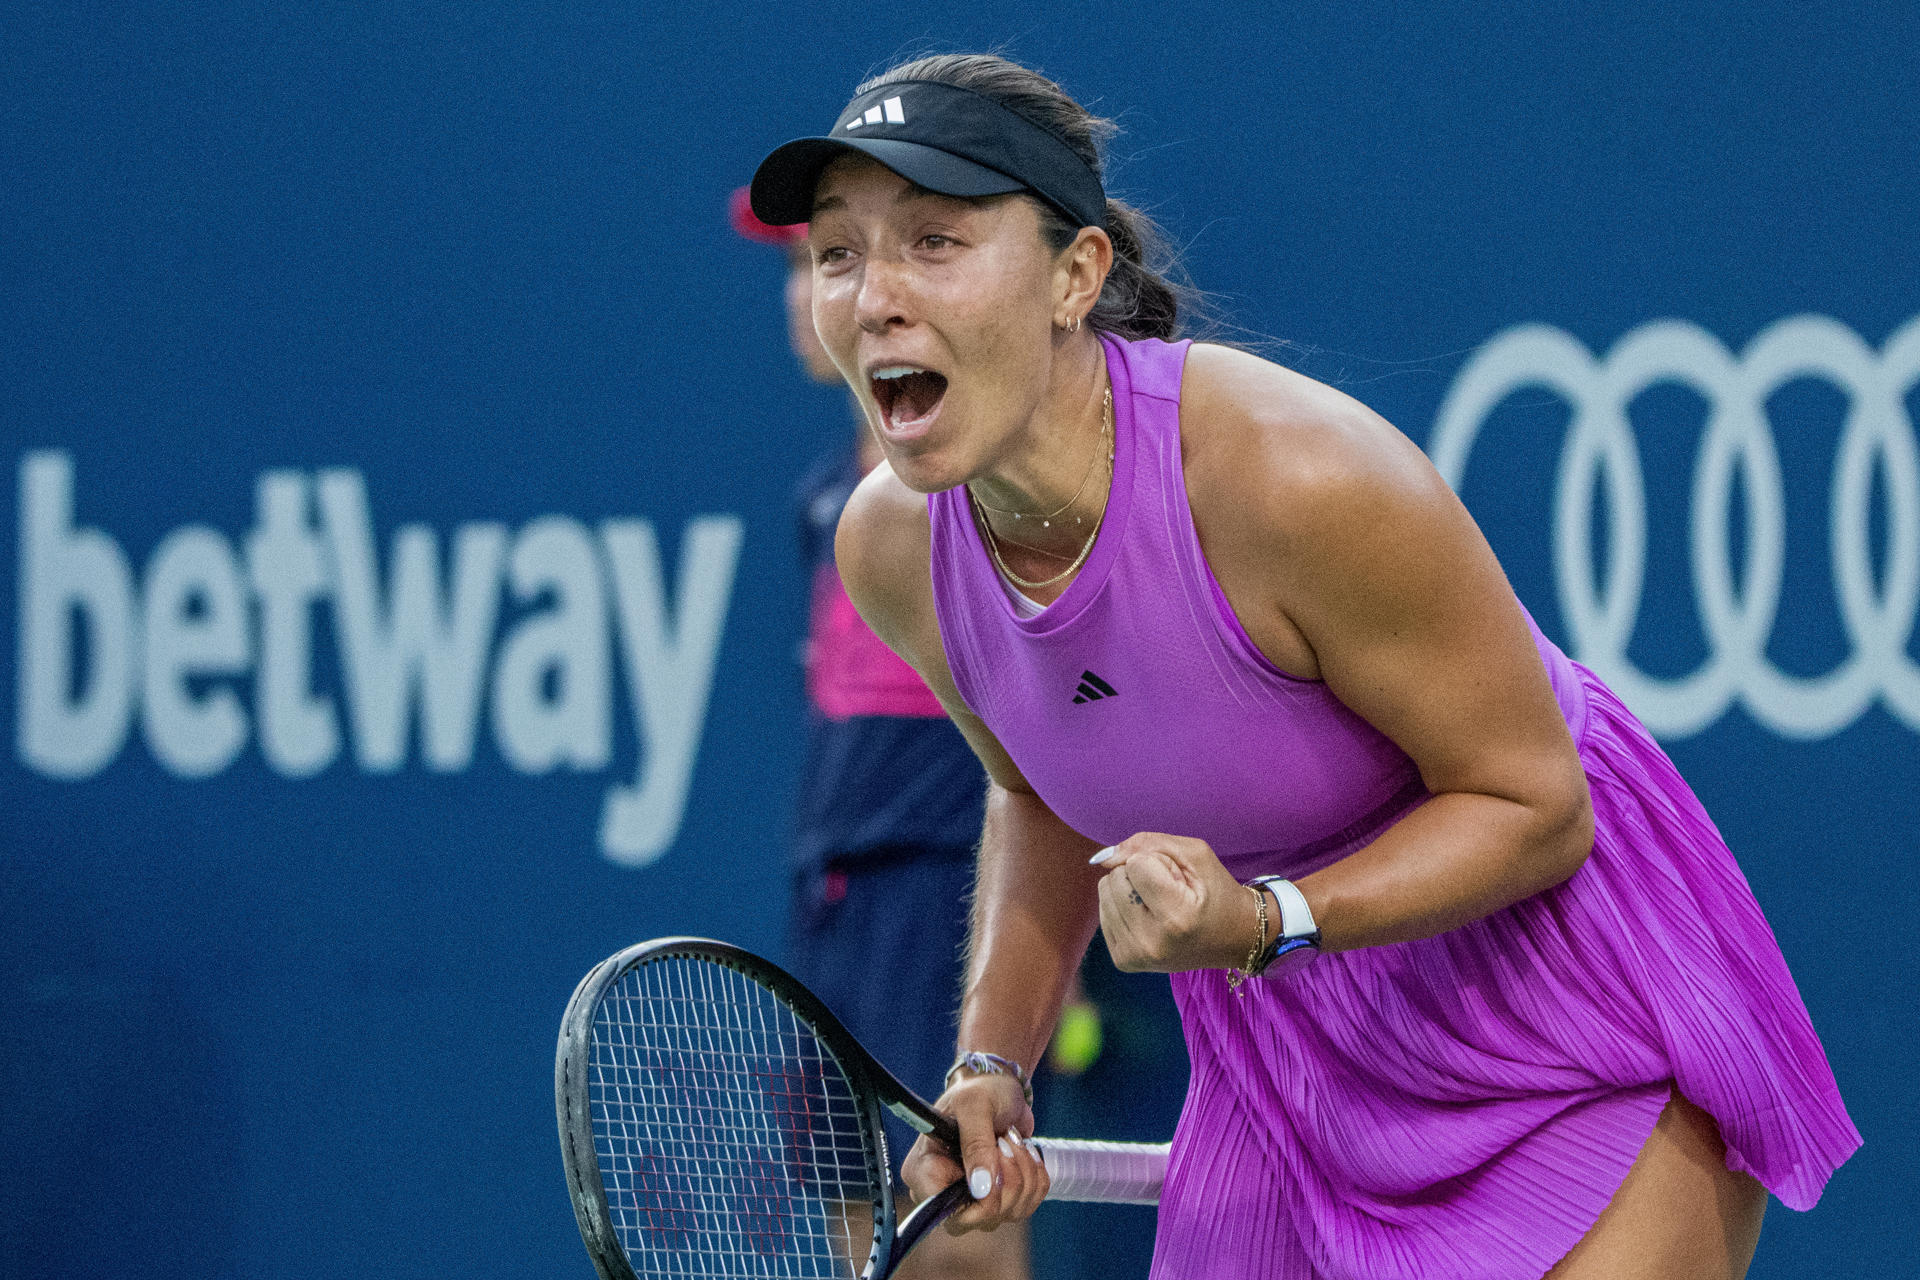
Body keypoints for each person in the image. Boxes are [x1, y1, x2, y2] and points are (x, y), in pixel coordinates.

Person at [745, 53, 1862, 1280]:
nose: (871, 298)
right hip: (1288, 1048)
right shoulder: (893, 547)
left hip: (1556, 993)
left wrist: (1264, 917)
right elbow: (1034, 792)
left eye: (936, 242)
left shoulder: (1294, 475)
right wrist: (992, 1061)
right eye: (840, 252)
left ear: (1077, 275)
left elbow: (1539, 804)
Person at [730, 187, 1037, 1280]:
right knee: (859, 1230)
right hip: (837, 894)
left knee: (958, 1235)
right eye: (808, 267)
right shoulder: (826, 493)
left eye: (824, 262)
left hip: (941, 892)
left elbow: (1033, 743)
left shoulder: (977, 479)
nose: (805, 297)